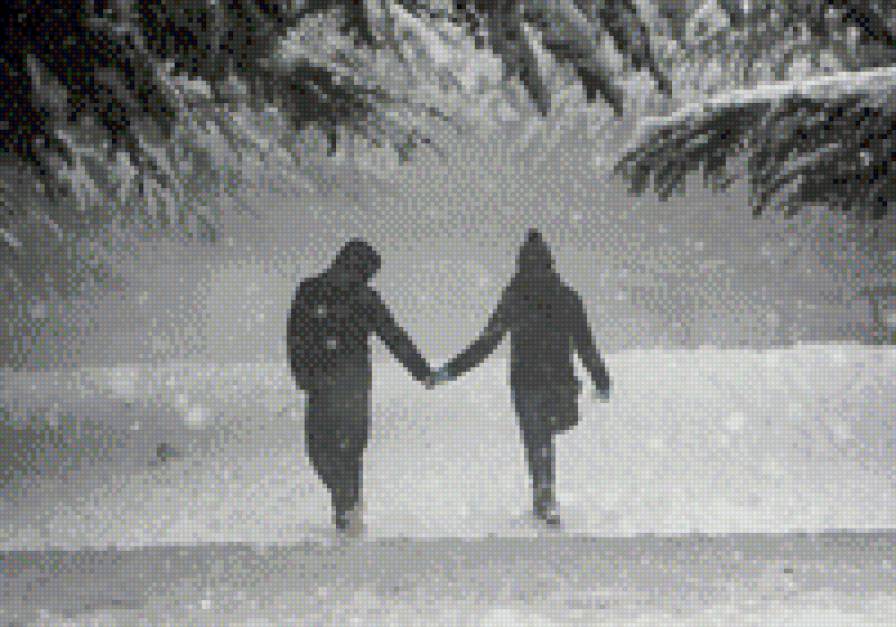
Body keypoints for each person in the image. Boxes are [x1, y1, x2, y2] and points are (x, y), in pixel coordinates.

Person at [430, 230, 611, 525]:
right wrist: (601, 379)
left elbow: (487, 343)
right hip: (559, 381)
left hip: (526, 381)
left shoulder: (515, 298)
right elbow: (585, 344)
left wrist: (451, 370)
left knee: (536, 438)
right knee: (546, 436)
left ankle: (544, 495)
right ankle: (545, 496)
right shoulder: (566, 297)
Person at [287, 239, 433, 533]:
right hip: (331, 384)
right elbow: (296, 336)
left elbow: (392, 335)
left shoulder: (353, 296)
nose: (367, 278)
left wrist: (421, 371)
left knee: (334, 450)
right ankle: (347, 502)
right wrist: (303, 374)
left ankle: (347, 508)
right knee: (333, 451)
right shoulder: (317, 292)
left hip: (340, 384)